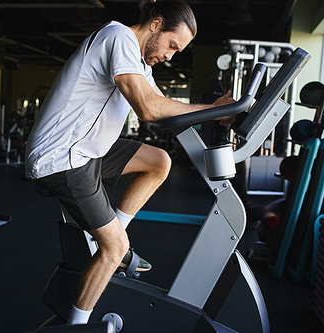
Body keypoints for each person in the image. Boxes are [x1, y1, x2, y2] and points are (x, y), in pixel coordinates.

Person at [25, 0, 235, 326]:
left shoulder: (142, 65)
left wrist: (214, 110)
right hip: (62, 157)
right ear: (155, 24)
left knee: (159, 161)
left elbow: (164, 106)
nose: (170, 55)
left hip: (89, 151)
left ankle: (109, 238)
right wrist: (212, 107)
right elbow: (149, 109)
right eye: (171, 45)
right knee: (114, 248)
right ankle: (78, 325)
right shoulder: (118, 36)